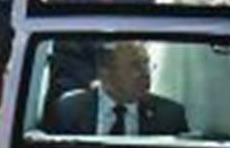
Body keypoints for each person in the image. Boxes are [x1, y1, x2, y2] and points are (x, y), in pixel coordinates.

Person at [47, 41, 190, 136]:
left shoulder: (170, 115)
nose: (145, 73)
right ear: (105, 72)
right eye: (135, 66)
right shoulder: (67, 111)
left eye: (146, 64)